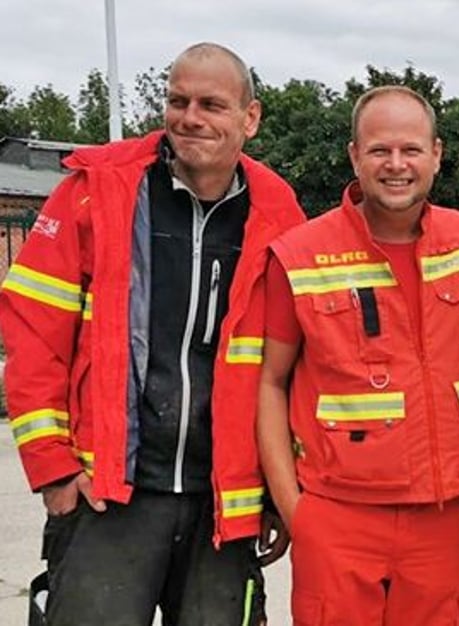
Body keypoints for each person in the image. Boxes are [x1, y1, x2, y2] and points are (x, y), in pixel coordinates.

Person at [0, 42, 305, 625]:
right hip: (110, 497)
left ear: (250, 117)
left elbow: (292, 369)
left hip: (224, 505)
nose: (189, 117)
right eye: (177, 100)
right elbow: (33, 328)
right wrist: (54, 468)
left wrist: (280, 493)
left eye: (211, 104)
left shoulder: (278, 210)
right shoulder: (100, 189)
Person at [257, 85, 459, 626]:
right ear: (354, 156)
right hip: (337, 519)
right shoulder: (300, 255)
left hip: (442, 518)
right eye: (380, 150)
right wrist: (297, 510)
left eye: (410, 150)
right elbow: (271, 382)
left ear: (436, 154)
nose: (396, 164)